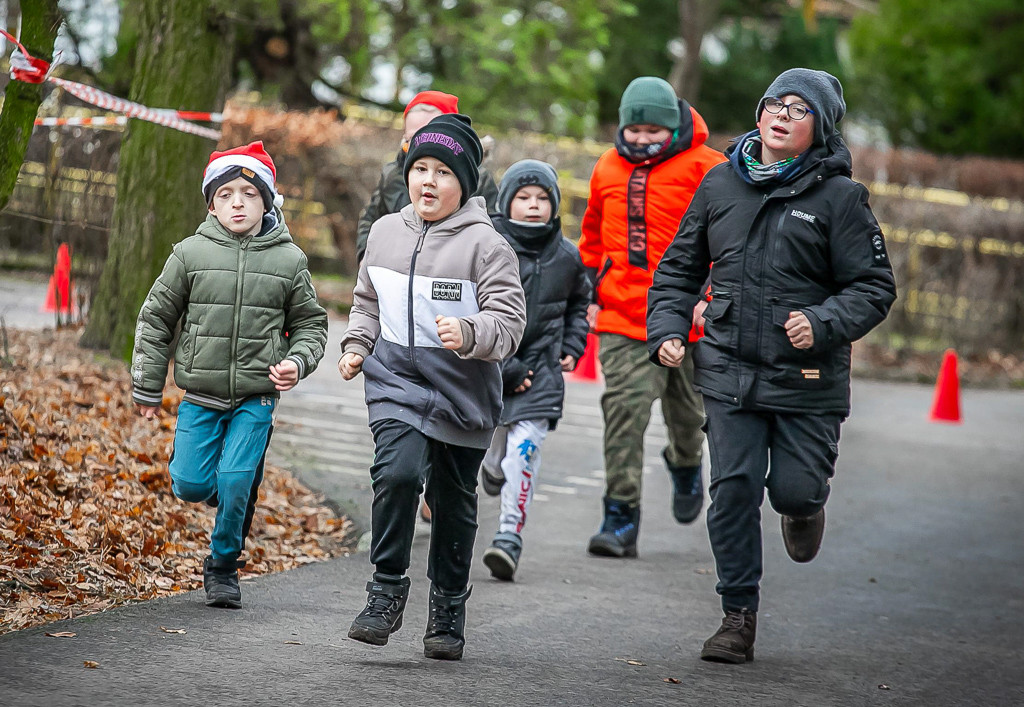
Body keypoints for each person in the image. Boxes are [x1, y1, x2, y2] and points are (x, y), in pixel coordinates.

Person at [647, 68, 897, 663]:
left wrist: (823, 322)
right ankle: (737, 615)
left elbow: (873, 286)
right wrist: (668, 329)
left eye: (798, 108)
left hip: (806, 378)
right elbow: (679, 269)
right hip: (729, 366)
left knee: (792, 487)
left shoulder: (840, 198)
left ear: (821, 129)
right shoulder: (719, 185)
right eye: (773, 104)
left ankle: (804, 506)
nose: (781, 115)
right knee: (731, 489)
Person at [339, 114, 526, 660]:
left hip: (463, 393)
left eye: (442, 172)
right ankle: (386, 589)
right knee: (395, 474)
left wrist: (470, 332)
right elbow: (367, 300)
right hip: (396, 379)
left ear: (464, 183)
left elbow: (510, 324)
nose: (427, 180)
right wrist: (356, 345)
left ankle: (447, 607)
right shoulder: (385, 233)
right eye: (419, 167)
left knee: (453, 503)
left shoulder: (487, 247)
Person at [131, 141, 328, 609]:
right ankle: (226, 478)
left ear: (268, 201)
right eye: (225, 194)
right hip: (201, 393)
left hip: (257, 397)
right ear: (211, 202)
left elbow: (311, 324)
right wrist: (147, 384)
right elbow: (156, 318)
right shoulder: (189, 254)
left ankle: (223, 566)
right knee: (191, 486)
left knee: (237, 483)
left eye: (248, 193)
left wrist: (297, 362)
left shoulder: (289, 260)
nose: (237, 202)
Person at [577, 77, 725, 558]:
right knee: (624, 411)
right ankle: (620, 517)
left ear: (673, 125)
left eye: (652, 130)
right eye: (633, 128)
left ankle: (685, 464)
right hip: (623, 315)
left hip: (689, 320)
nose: (640, 138)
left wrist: (711, 294)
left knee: (688, 417)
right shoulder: (606, 167)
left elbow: (731, 243)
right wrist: (586, 289)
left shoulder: (709, 168)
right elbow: (592, 238)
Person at [477, 160, 591, 581]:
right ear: (506, 203)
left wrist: (572, 344)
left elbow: (581, 303)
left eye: (542, 198)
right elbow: (473, 311)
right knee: (495, 447)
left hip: (541, 374)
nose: (532, 206)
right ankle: (491, 465)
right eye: (523, 198)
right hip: (490, 368)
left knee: (522, 456)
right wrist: (505, 364)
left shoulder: (566, 256)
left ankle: (508, 536)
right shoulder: (488, 247)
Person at [355, 90, 499, 263]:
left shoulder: (479, 179)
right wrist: (367, 258)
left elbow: (493, 234)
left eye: (443, 172)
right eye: (412, 139)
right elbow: (370, 219)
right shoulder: (392, 174)